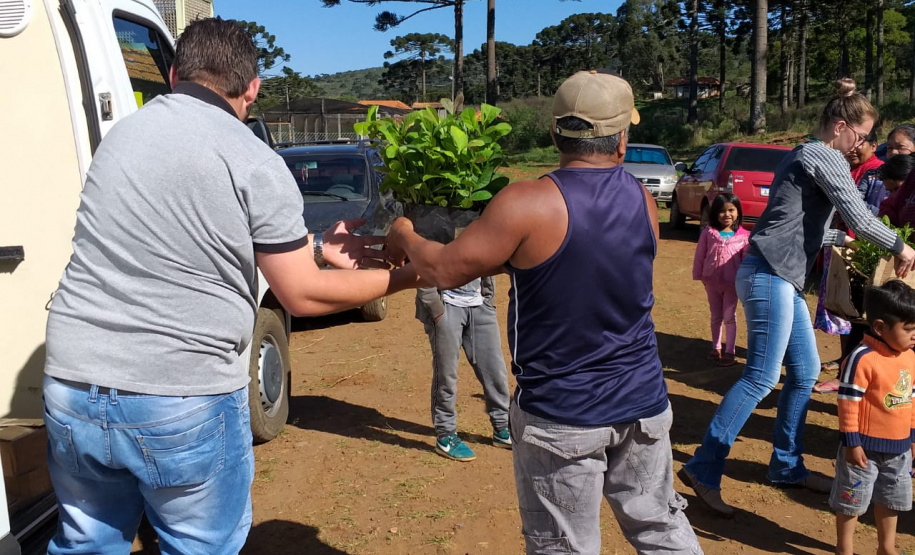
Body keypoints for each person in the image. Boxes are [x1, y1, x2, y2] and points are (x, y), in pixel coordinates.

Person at [41, 18, 419, 555]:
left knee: (86, 544)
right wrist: (404, 276)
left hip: (73, 384)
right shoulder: (253, 158)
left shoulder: (125, 135)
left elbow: (185, 239)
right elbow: (303, 295)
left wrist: (311, 246)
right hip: (179, 392)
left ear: (174, 74)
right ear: (253, 88)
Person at [387, 70, 703, 555]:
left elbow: (445, 270)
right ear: (621, 140)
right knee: (660, 528)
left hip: (563, 413)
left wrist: (404, 231)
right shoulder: (642, 200)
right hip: (644, 403)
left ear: (555, 133)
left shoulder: (526, 204)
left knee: (563, 546)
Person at [679, 78, 915, 518]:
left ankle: (786, 466)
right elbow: (860, 216)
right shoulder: (820, 155)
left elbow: (793, 225)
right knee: (762, 377)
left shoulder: (806, 155)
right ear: (840, 126)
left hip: (779, 273)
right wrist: (899, 246)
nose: (862, 146)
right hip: (769, 273)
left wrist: (839, 239)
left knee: (804, 373)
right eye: (861, 137)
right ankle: (703, 467)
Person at [831, 280, 915, 555]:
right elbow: (847, 402)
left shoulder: (910, 357)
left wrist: (912, 437)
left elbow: (911, 399)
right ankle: (844, 549)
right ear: (880, 327)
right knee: (851, 500)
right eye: (909, 329)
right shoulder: (862, 358)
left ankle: (886, 548)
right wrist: (852, 443)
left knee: (892, 500)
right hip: (863, 450)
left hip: (899, 449)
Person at [814, 131, 888, 391]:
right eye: (852, 145)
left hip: (862, 248)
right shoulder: (851, 170)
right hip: (842, 245)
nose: (854, 150)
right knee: (846, 310)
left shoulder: (877, 172)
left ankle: (852, 371)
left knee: (860, 314)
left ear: (874, 146)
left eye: (861, 145)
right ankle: (846, 367)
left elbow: (868, 215)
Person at [415, 278, 511, 462]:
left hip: (479, 305)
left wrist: (487, 299)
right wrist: (435, 307)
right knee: (446, 375)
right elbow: (422, 264)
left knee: (495, 370)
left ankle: (502, 427)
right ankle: (445, 435)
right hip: (446, 306)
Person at [693, 193, 750, 367]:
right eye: (722, 211)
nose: (727, 215)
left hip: (732, 285)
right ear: (715, 213)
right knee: (716, 316)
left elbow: (747, 262)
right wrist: (700, 275)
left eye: (731, 210)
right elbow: (700, 256)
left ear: (738, 212)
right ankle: (716, 347)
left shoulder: (745, 237)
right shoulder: (709, 233)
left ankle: (730, 351)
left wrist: (745, 282)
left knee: (729, 317)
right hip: (711, 282)